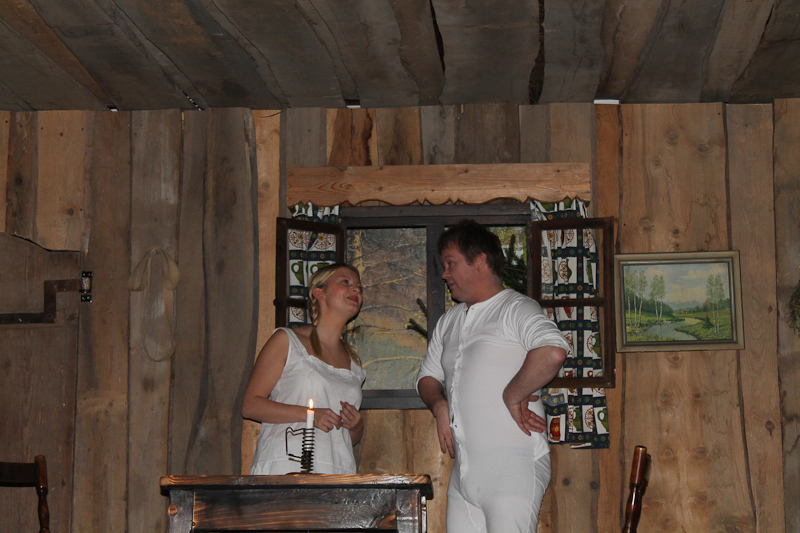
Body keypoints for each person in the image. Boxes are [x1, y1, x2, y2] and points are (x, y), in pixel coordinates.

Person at [416, 219, 569, 533]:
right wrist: (439, 405)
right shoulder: (449, 320)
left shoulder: (516, 307)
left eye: (450, 263)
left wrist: (512, 394)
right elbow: (426, 377)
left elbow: (552, 351)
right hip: (463, 477)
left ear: (480, 261)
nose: (444, 274)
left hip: (514, 468)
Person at [242, 263, 366, 474]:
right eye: (345, 282)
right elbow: (250, 405)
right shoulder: (287, 341)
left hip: (336, 472)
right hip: (285, 467)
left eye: (359, 287)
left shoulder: (355, 364)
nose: (356, 289)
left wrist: (356, 427)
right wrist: (309, 414)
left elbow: (347, 438)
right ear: (319, 293)